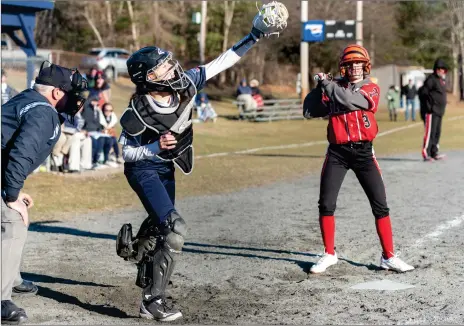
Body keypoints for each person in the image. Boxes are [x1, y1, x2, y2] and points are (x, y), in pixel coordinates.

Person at [115, 2, 288, 321]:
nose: (172, 68)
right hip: (142, 169)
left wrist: (254, 35)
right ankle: (152, 299)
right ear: (147, 78)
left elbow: (223, 61)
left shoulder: (186, 85)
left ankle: (137, 252)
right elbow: (123, 153)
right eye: (162, 68)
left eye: (169, 63)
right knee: (175, 228)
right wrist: (153, 146)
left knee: (159, 227)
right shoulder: (139, 108)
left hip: (165, 166)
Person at [303, 44, 414, 275]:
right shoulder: (333, 87)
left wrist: (328, 85)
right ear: (343, 67)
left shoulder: (370, 87)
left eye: (358, 63)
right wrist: (318, 87)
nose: (354, 67)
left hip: (364, 153)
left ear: (366, 66)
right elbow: (309, 111)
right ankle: (329, 253)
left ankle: (388, 256)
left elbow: (349, 100)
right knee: (326, 203)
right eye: (349, 64)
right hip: (337, 153)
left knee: (380, 205)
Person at [1, 62, 87, 324]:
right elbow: (21, 153)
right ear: (57, 93)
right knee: (13, 220)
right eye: (72, 93)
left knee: (14, 214)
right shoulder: (42, 113)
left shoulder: (26, 100)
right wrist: (12, 195)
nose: (76, 99)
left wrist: (12, 189)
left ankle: (11, 278)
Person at [419, 58, 448, 161]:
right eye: (439, 69)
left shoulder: (441, 81)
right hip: (431, 111)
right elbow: (422, 92)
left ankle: (434, 152)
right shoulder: (431, 80)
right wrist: (429, 106)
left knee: (437, 132)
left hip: (439, 112)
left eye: (443, 69)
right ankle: (426, 153)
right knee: (430, 133)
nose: (441, 71)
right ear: (436, 69)